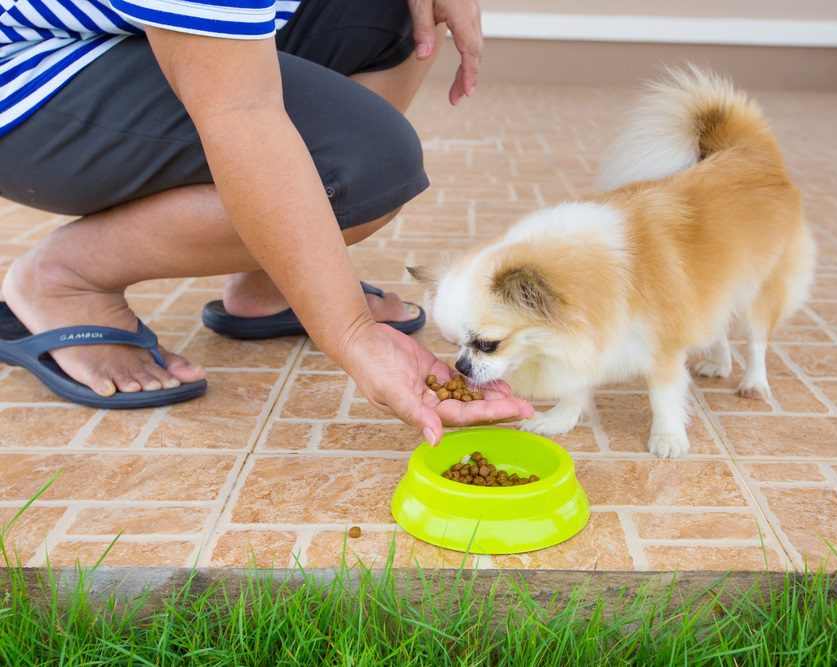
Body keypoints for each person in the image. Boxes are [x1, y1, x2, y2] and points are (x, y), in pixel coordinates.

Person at [0, 0, 533, 444]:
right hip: (30, 76)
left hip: (130, 29)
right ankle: (66, 278)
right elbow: (240, 112)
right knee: (362, 170)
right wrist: (350, 332)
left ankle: (272, 277)